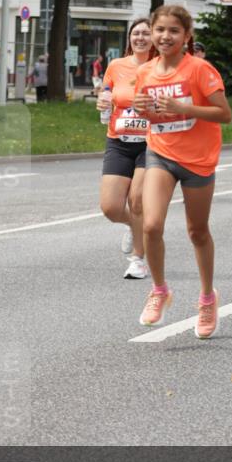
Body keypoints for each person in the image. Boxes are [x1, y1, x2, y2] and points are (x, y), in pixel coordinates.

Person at [132, 5, 231, 338]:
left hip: (198, 160)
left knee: (197, 231)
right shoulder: (146, 72)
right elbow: (147, 112)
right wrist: (141, 109)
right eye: (160, 29)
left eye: (174, 30)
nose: (164, 36)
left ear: (187, 36)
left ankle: (207, 297)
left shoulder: (200, 70)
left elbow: (224, 114)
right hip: (160, 152)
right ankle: (159, 290)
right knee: (150, 223)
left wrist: (184, 107)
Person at [97, 19, 156, 279]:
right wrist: (102, 101)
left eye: (146, 33)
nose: (140, 37)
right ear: (129, 38)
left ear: (154, 38)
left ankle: (139, 260)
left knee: (137, 200)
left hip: (151, 144)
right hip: (119, 142)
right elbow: (106, 92)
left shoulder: (162, 68)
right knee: (110, 207)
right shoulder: (116, 66)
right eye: (136, 33)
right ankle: (133, 226)